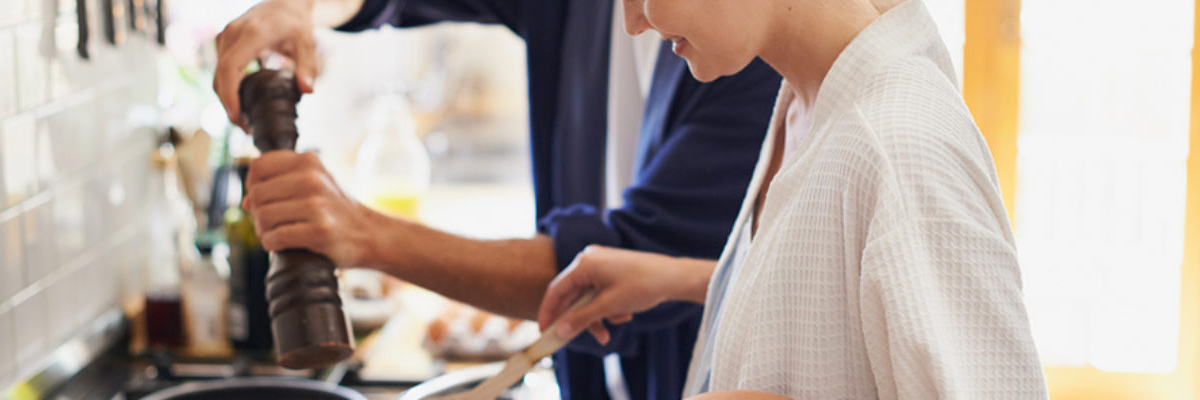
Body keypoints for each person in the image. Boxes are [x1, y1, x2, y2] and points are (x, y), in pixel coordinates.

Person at [213, 0, 783, 398]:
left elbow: (629, 258)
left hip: (704, 377)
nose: (638, 19)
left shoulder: (754, 56)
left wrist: (364, 235)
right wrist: (302, 5)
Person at [537, 0, 1049, 398]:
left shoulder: (899, 144)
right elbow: (851, 298)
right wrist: (686, 279)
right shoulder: (807, 99)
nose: (633, 21)